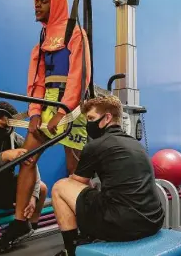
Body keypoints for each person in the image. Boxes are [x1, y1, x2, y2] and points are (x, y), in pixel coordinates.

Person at [0, 0, 91, 253]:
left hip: (72, 108)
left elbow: (79, 77)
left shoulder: (75, 33)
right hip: (45, 104)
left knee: (76, 172)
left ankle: (85, 228)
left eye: (44, 1)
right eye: (36, 1)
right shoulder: (41, 41)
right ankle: (20, 221)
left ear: (56, 3)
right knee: (27, 159)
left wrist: (63, 111)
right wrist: (35, 112)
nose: (37, 5)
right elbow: (35, 81)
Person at [51, 95, 165, 256]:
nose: (88, 124)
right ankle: (87, 238)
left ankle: (72, 250)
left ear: (108, 117)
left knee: (60, 187)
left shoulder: (95, 146)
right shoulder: (135, 144)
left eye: (91, 118)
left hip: (123, 226)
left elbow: (75, 183)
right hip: (154, 222)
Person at [0, 101, 48, 250]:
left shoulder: (12, 136)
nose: (7, 130)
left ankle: (29, 227)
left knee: (42, 187)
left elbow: (32, 163)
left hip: (4, 187)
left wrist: (33, 196)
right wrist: (4, 156)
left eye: (10, 126)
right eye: (4, 126)